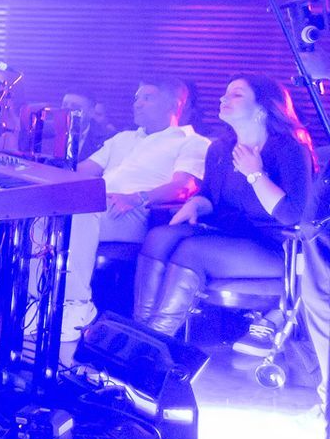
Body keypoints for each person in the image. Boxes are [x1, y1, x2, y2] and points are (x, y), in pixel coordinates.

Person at [133, 77, 316, 339]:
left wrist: (256, 174)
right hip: (229, 236)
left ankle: (156, 341)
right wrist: (197, 203)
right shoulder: (220, 149)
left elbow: (293, 215)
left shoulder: (290, 149)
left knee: (192, 251)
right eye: (225, 93)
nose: (223, 99)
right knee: (159, 236)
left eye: (236, 95)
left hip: (274, 246)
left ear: (262, 108)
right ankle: (140, 331)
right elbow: (210, 198)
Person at [61, 79, 208, 327]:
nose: (137, 104)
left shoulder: (191, 141)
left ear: (175, 104)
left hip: (140, 211)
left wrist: (137, 197)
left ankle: (77, 305)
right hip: (100, 202)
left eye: (147, 98)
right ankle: (38, 301)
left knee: (79, 215)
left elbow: (183, 186)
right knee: (41, 213)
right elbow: (82, 170)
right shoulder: (123, 138)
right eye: (136, 98)